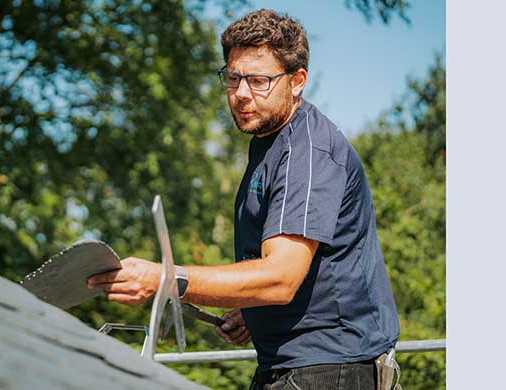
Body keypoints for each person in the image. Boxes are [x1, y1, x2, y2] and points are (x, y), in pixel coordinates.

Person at [87, 8, 399, 390]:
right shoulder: (270, 142)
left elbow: (281, 278)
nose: (240, 94)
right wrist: (250, 309)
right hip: (290, 363)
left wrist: (164, 279)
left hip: (330, 368)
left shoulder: (310, 152)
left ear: (297, 80)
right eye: (232, 78)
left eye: (258, 80)